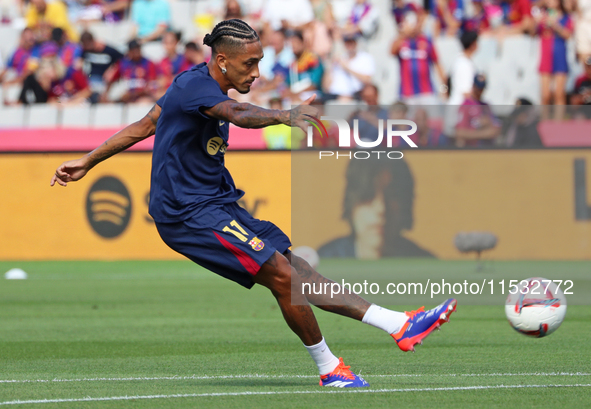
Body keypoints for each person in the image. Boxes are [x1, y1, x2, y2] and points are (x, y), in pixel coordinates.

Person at [50, 19, 456, 388]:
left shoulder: (193, 83)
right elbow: (236, 113)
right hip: (186, 213)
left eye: (259, 61)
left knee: (296, 266)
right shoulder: (195, 88)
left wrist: (87, 160)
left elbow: (146, 125)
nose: (257, 71)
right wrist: (283, 115)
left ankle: (399, 325)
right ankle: (330, 369)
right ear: (222, 60)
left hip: (218, 204)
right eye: (250, 63)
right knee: (282, 276)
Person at [317, 157, 435, 258]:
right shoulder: (323, 260)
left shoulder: (427, 265)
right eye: (369, 195)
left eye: (392, 195)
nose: (381, 209)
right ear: (351, 203)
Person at [390, 13, 446, 105]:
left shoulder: (427, 41)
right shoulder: (402, 41)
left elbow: (437, 64)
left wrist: (444, 87)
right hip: (407, 93)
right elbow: (392, 51)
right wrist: (403, 34)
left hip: (426, 91)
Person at [535, 0, 573, 118]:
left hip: (560, 55)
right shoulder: (542, 16)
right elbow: (534, 31)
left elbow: (568, 35)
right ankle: (544, 122)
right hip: (546, 57)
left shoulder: (566, 17)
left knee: (559, 94)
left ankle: (558, 124)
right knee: (545, 95)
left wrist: (555, 25)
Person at [323, 33, 375, 102]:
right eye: (347, 42)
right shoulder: (339, 59)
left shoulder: (365, 58)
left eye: (351, 42)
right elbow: (326, 87)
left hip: (354, 96)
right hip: (334, 97)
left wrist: (347, 68)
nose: (349, 45)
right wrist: (330, 67)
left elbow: (367, 80)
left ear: (356, 43)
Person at [454, 74, 501, 147]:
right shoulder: (466, 105)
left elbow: (496, 128)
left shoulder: (486, 106)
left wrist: (488, 123)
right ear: (473, 86)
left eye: (482, 88)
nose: (480, 91)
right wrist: (483, 134)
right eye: (478, 87)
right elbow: (459, 132)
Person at [80, 31, 124, 103]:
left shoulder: (109, 50)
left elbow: (122, 59)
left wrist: (111, 70)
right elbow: (79, 62)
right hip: (91, 79)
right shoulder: (85, 51)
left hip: (106, 81)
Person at [448, 30, 478, 106]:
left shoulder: (461, 60)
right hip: (460, 108)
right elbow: (466, 92)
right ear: (473, 44)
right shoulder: (464, 64)